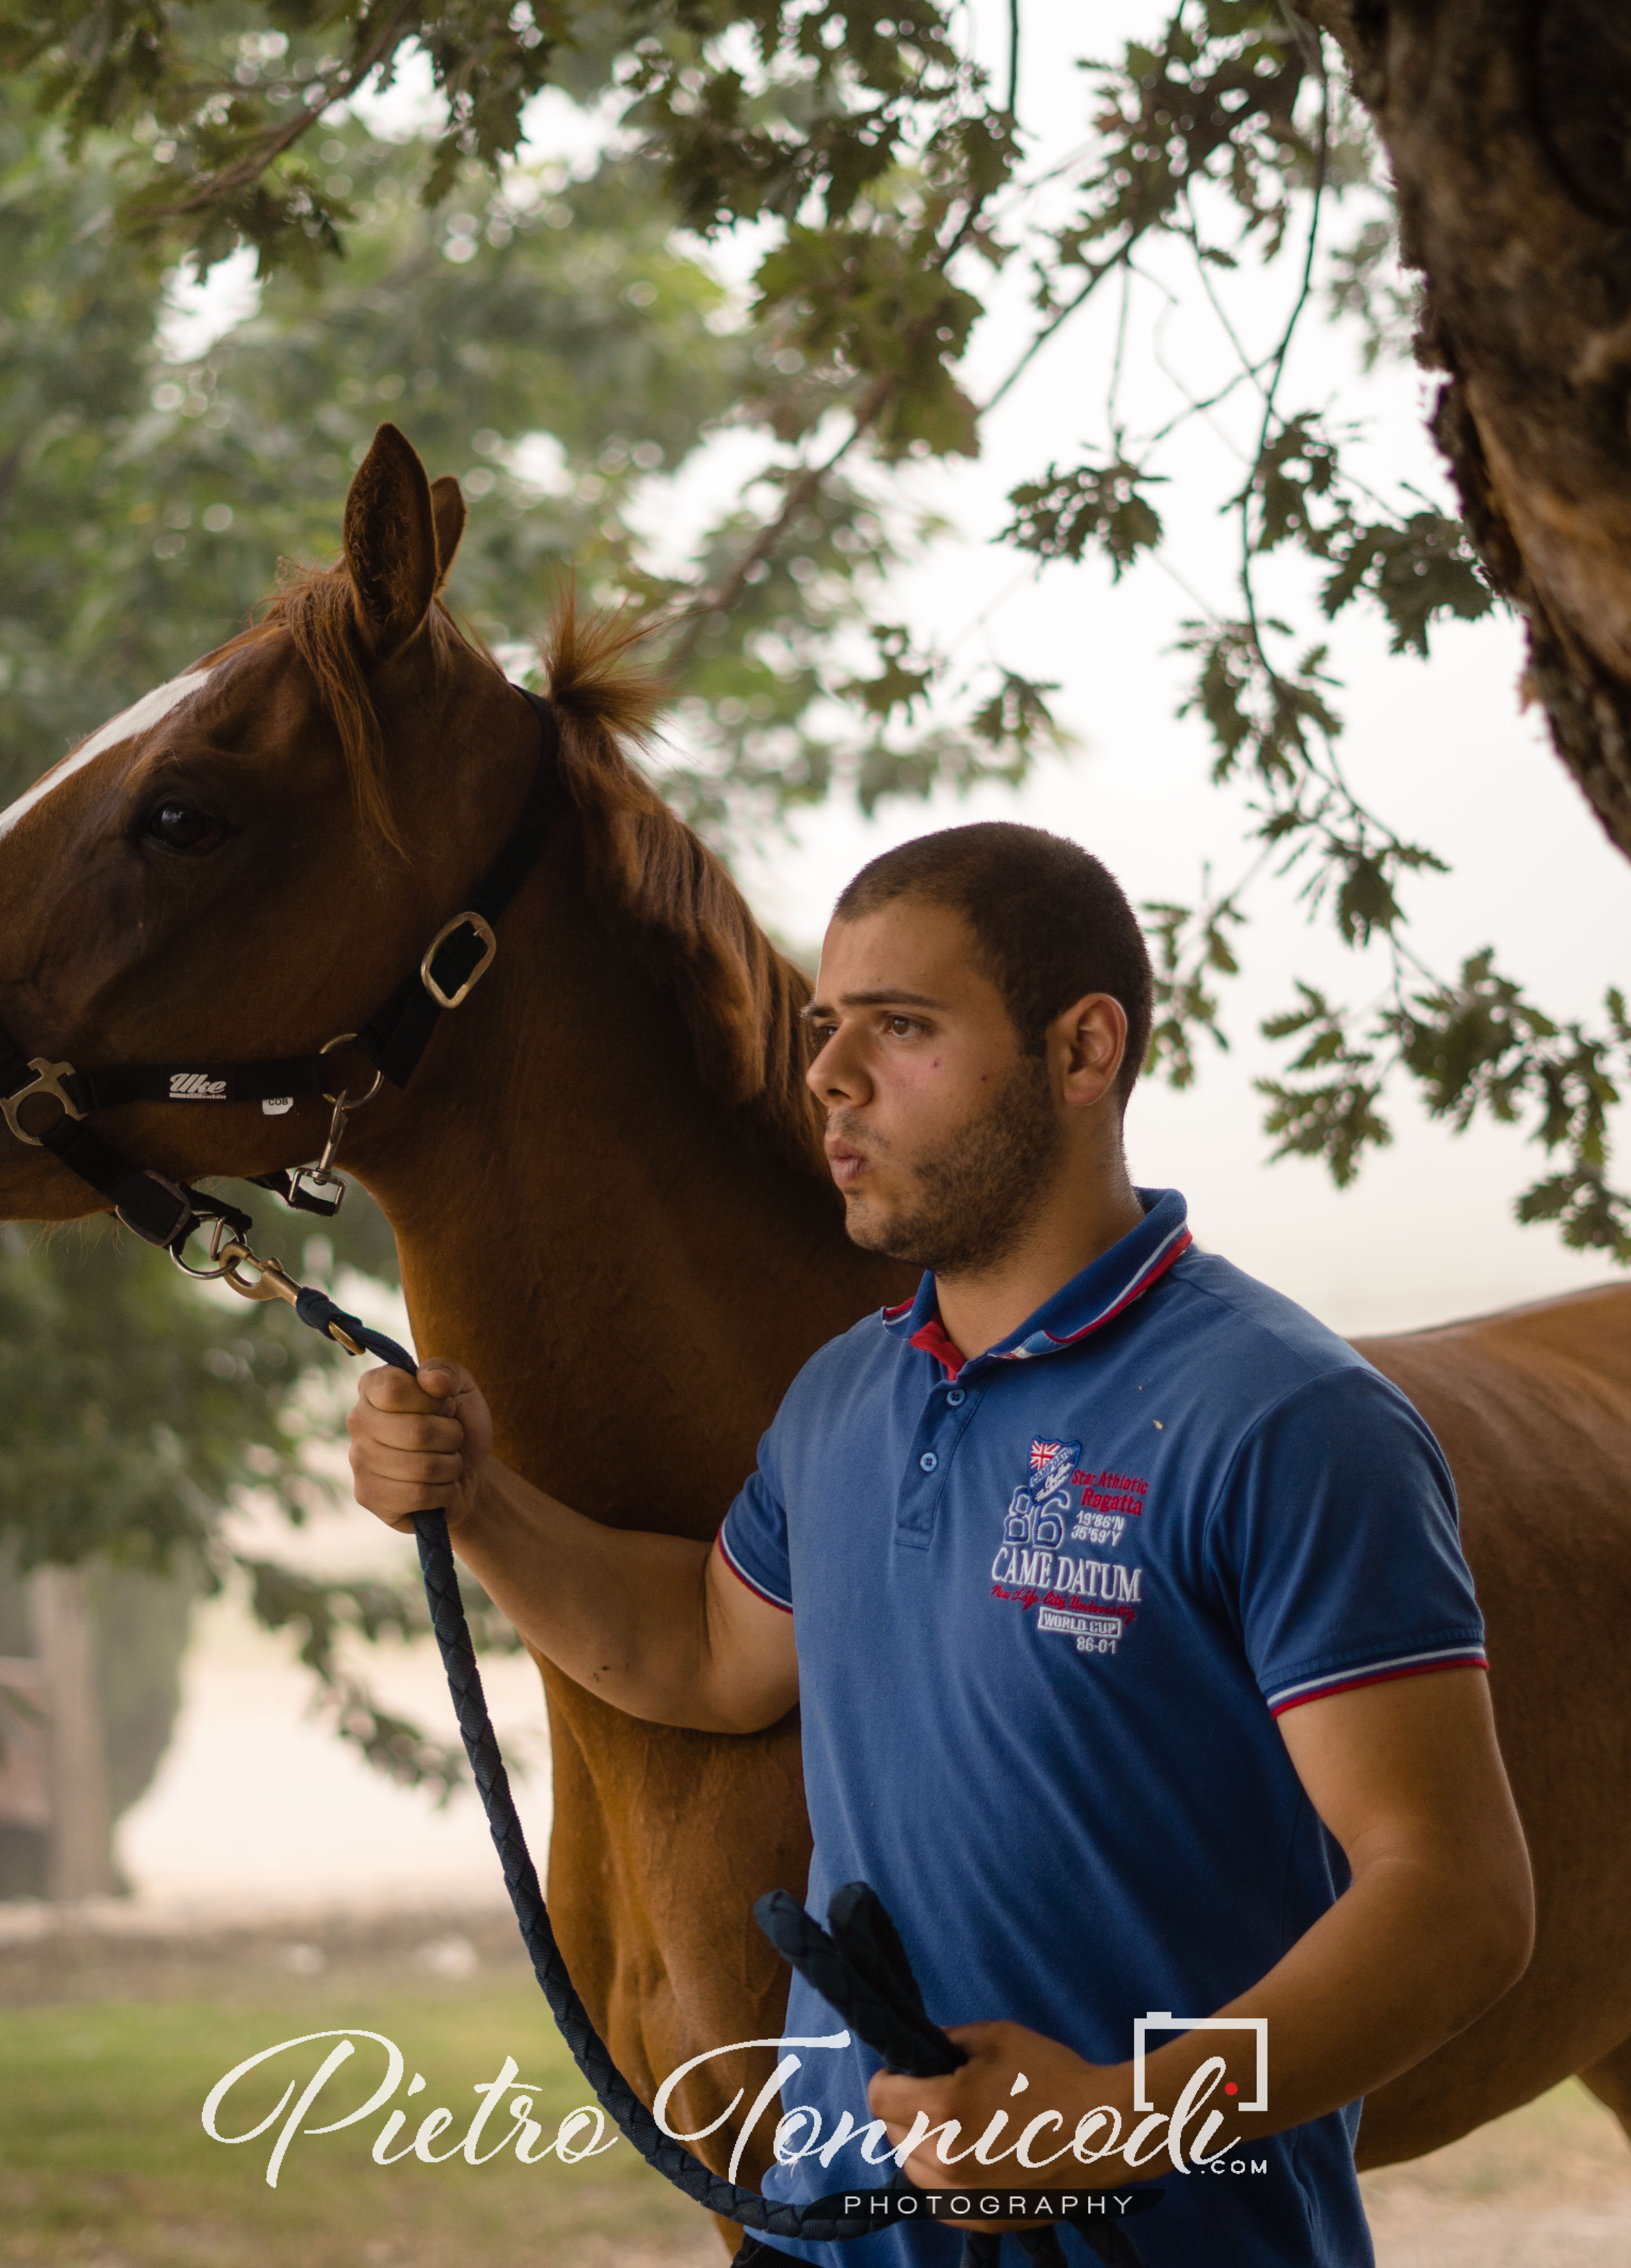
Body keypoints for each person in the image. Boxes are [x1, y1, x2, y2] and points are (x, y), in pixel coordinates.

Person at [347, 823, 1535, 2264]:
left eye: (901, 1027)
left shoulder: (1285, 1415)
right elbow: (708, 1653)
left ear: (1083, 1050)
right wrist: (478, 1499)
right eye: (826, 1027)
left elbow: (1458, 1899)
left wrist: (1111, 2121)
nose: (831, 1079)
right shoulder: (847, 1393)